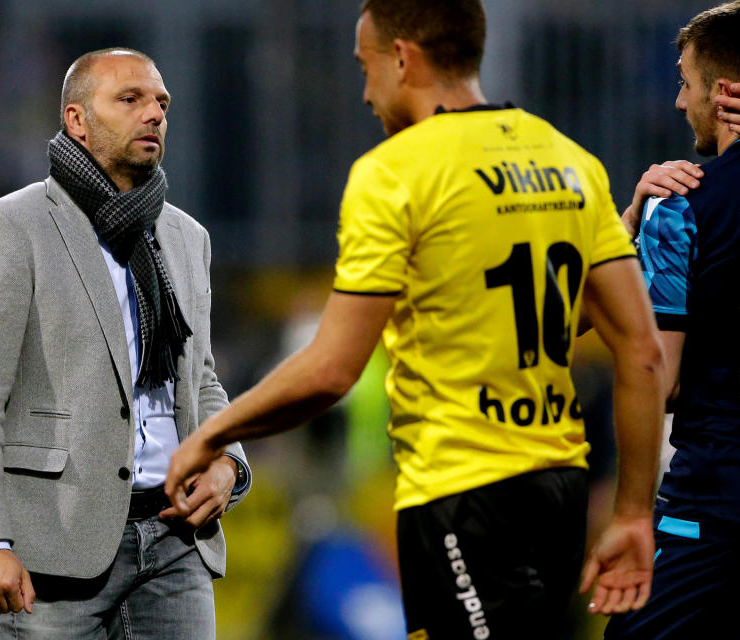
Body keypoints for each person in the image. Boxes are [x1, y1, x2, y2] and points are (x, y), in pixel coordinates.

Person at [164, 1, 666, 637]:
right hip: (558, 493)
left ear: (403, 58)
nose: (367, 91)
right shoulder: (570, 161)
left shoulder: (395, 173)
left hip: (464, 493)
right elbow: (639, 348)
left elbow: (331, 369)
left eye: (365, 65)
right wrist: (631, 513)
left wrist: (210, 436)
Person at [0, 48, 250, 640]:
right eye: (129, 100)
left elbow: (200, 379)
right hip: (55, 548)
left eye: (161, 103)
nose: (153, 114)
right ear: (77, 120)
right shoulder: (12, 228)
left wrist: (229, 461)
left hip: (176, 540)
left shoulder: (186, 237)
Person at [603, 3, 740, 638]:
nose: (678, 102)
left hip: (718, 504)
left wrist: (631, 228)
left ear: (721, 94)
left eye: (684, 82)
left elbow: (659, 376)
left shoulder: (681, 206)